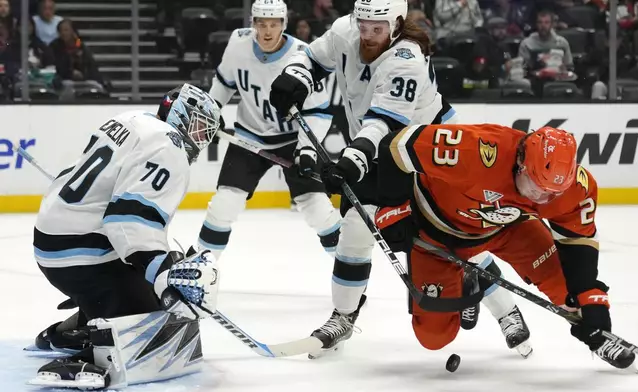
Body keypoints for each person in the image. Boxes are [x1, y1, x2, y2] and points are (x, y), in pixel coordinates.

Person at [268, 0, 528, 358]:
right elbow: (313, 58)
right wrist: (294, 76)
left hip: (431, 151)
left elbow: (385, 122)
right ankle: (343, 316)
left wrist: (352, 159)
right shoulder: (347, 30)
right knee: (356, 229)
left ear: (398, 24)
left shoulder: (407, 58)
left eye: (377, 29)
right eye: (363, 26)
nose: (367, 35)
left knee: (451, 236)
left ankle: (507, 311)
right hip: (380, 147)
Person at [375, 123, 636, 370]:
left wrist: (591, 299)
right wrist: (393, 208)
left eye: (551, 193)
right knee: (434, 337)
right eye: (536, 187)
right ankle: (470, 276)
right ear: (521, 162)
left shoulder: (575, 187)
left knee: (571, 292)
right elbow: (395, 146)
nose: (542, 199)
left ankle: (600, 338)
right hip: (435, 237)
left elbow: (578, 242)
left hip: (506, 228)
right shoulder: (472, 150)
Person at [28, 83, 224, 389]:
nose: (200, 139)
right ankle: (93, 354)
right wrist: (164, 274)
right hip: (82, 254)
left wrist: (160, 264)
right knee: (160, 321)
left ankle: (75, 327)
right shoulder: (169, 147)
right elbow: (129, 221)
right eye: (199, 127)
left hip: (53, 240)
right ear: (180, 113)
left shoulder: (134, 119)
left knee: (144, 281)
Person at [197, 0, 341, 261]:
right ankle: (199, 266)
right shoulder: (237, 44)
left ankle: (348, 267)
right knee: (224, 204)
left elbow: (319, 112)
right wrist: (212, 109)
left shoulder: (303, 56)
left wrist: (307, 150)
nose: (267, 31)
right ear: (252, 23)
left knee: (317, 208)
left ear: (284, 25)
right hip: (249, 137)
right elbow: (224, 83)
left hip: (293, 140)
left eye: (274, 24)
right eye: (261, 24)